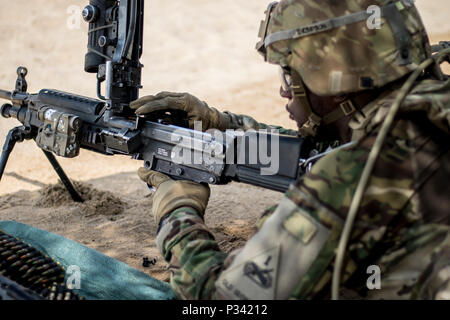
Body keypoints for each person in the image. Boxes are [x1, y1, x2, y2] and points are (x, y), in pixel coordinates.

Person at [131, 0, 450, 300]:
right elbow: (324, 150)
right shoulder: (427, 118)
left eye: (290, 73)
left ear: (331, 81)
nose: (284, 89)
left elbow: (225, 299)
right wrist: (223, 124)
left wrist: (176, 212)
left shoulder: (350, 179)